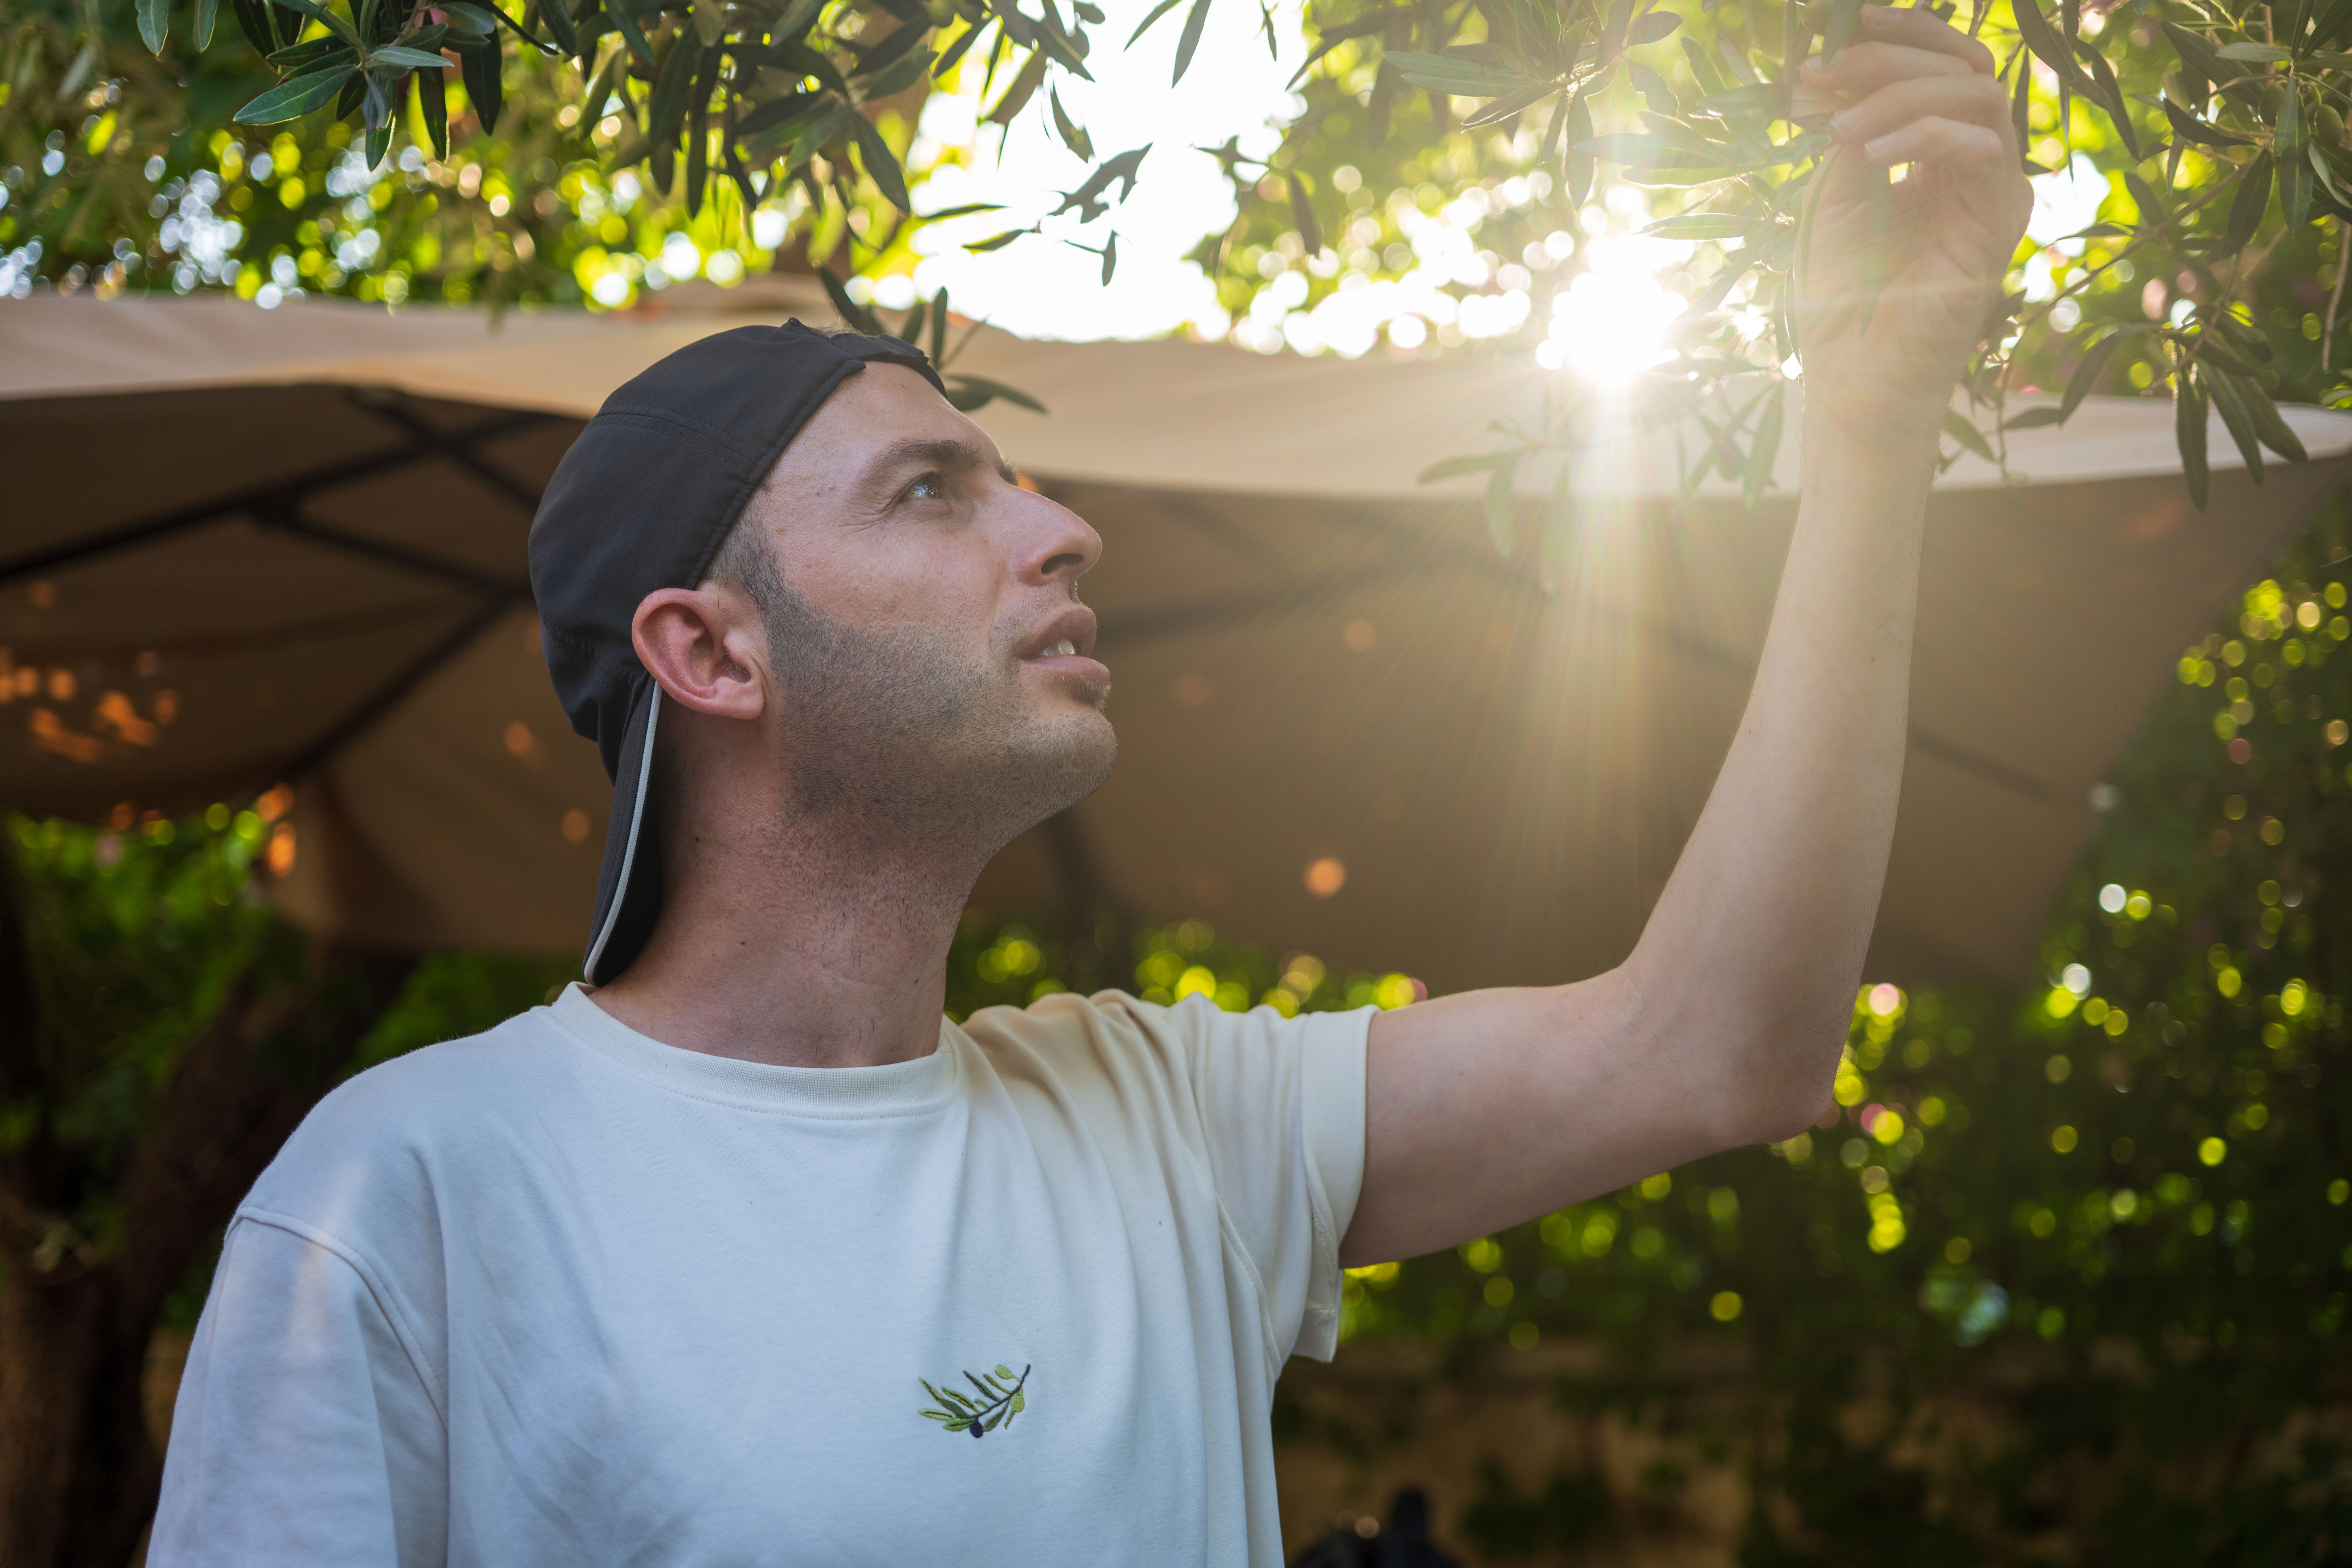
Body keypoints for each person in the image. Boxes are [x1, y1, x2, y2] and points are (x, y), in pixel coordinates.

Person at [149, 12, 2031, 1563]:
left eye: (1017, 477)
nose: (1063, 527)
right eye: (931, 491)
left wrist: (1866, 434)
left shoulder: (1165, 1121)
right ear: (712, 654)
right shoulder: (411, 1198)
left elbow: (1725, 1047)